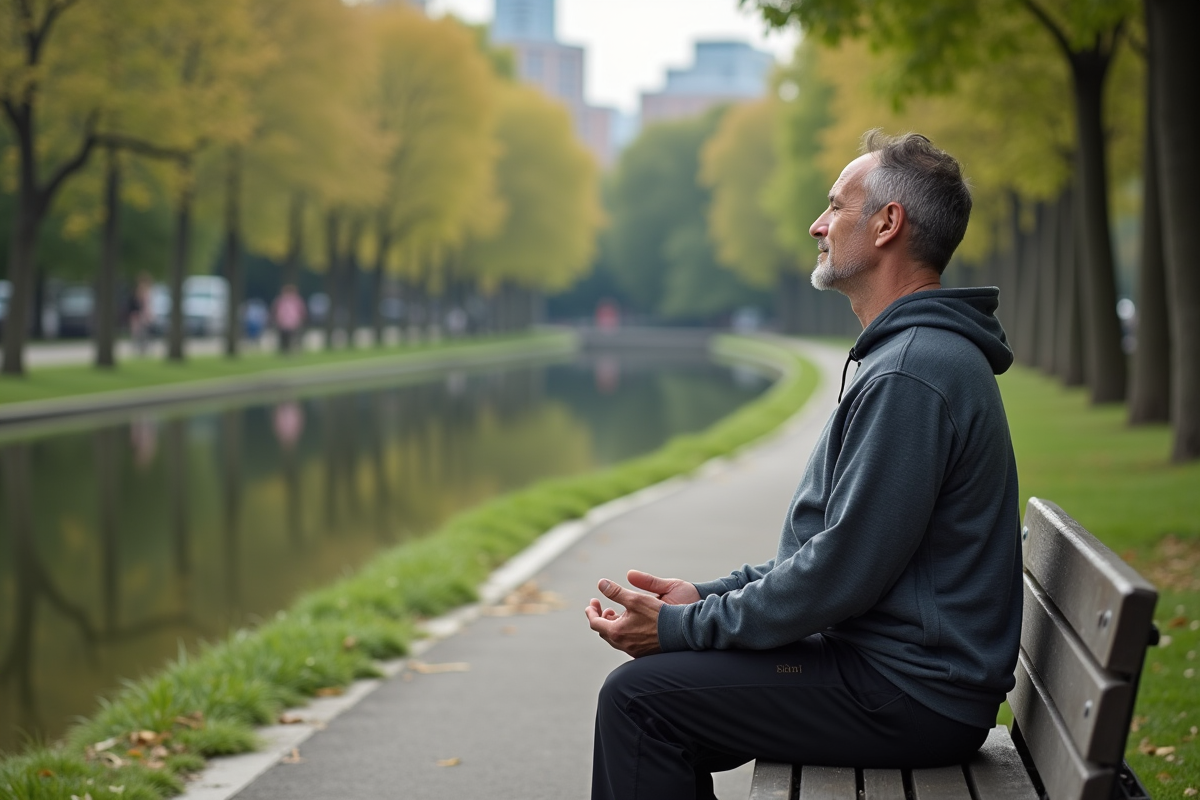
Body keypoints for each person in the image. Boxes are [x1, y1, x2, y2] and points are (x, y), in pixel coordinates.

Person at [584, 130, 1022, 800]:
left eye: (835, 207)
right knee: (655, 699)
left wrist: (679, 629)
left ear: (887, 224)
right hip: (897, 675)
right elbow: (834, 553)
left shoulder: (912, 370)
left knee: (640, 702)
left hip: (909, 696)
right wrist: (708, 596)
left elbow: (837, 573)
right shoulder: (906, 358)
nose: (817, 225)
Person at [272, 283, 307, 355]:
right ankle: (286, 351)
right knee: (286, 338)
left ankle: (289, 351)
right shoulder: (282, 300)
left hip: (292, 322)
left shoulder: (295, 300)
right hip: (286, 322)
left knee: (291, 338)